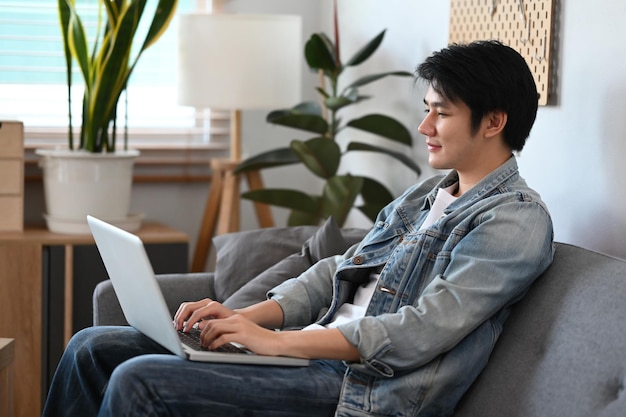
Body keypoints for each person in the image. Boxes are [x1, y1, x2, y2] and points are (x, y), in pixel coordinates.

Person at [42, 40, 554, 417]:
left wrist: (275, 344)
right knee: (91, 346)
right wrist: (246, 318)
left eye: (441, 114)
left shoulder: (515, 220)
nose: (425, 127)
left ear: (493, 121)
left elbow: (419, 329)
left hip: (360, 388)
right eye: (426, 111)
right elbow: (338, 268)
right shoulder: (427, 195)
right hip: (309, 353)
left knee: (139, 382)